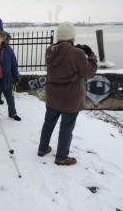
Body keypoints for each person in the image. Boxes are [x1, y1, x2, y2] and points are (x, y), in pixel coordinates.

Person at [37, 21, 97, 165]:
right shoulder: (77, 53)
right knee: (66, 127)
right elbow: (88, 73)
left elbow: (63, 55)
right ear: (72, 36)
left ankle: (42, 149)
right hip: (70, 97)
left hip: (53, 95)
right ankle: (61, 157)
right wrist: (91, 56)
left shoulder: (50, 50)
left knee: (48, 123)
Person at [0, 29, 21, 123]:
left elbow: (13, 63)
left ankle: (12, 113)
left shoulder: (8, 49)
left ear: (3, 38)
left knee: (10, 97)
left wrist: (16, 75)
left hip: (6, 78)